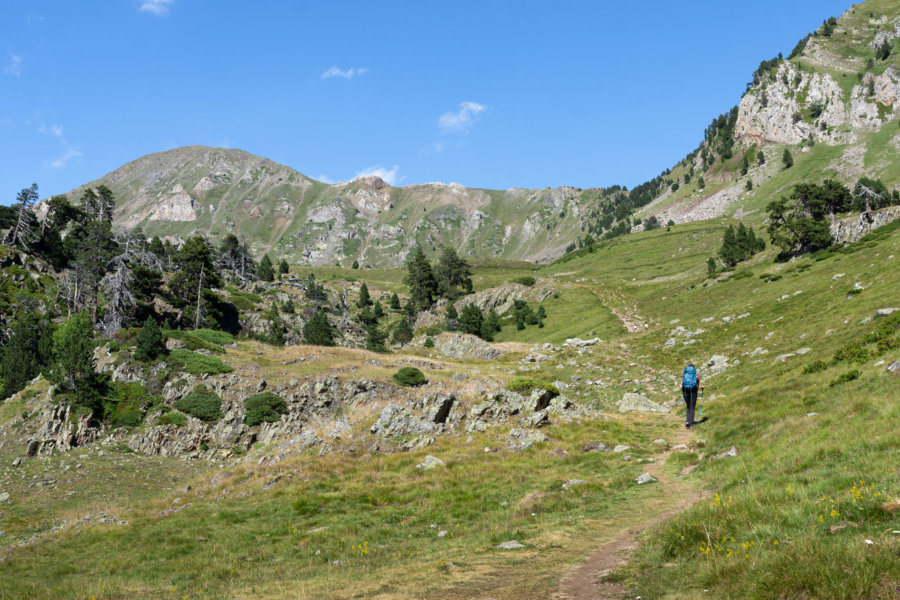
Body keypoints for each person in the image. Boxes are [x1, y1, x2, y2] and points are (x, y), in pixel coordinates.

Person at [681, 362, 702, 428]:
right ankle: (691, 423)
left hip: (685, 391)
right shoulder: (696, 375)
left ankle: (687, 421)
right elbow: (699, 386)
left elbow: (681, 386)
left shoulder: (684, 375)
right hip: (693, 391)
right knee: (692, 406)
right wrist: (702, 387)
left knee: (688, 406)